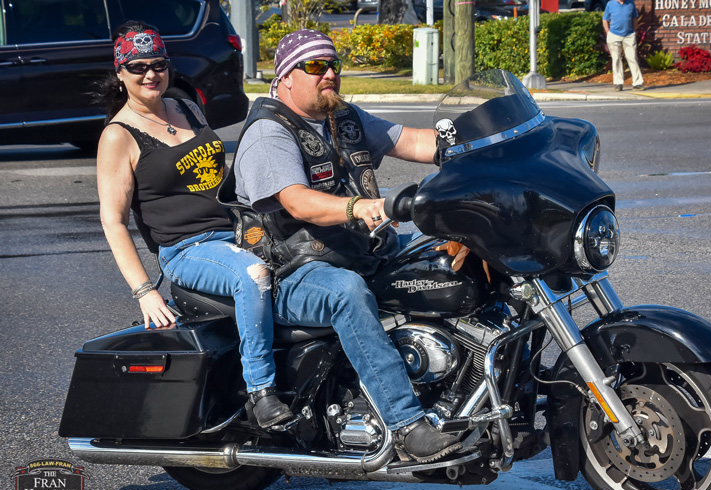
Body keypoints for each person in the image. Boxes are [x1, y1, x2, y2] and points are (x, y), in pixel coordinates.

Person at [222, 29, 461, 464]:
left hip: (356, 249)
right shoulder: (268, 133)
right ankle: (407, 425)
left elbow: (411, 140)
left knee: (444, 258)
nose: (328, 73)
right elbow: (298, 201)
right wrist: (363, 207)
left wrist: (475, 141)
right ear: (286, 77)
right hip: (291, 272)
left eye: (333, 65)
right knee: (347, 294)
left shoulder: (342, 117)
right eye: (314, 66)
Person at [95, 21, 291, 430]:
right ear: (120, 73)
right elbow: (113, 222)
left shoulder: (185, 106)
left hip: (235, 229)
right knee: (252, 274)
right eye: (138, 66)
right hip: (188, 249)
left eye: (159, 63)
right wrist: (146, 293)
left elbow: (221, 177)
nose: (151, 74)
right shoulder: (119, 135)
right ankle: (261, 391)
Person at [603, 0, 644, 91]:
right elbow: (605, 19)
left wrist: (633, 31)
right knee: (616, 58)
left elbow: (634, 18)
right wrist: (608, 32)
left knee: (632, 58)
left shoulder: (630, 3)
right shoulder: (610, 4)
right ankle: (618, 83)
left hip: (629, 35)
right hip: (614, 35)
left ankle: (637, 83)